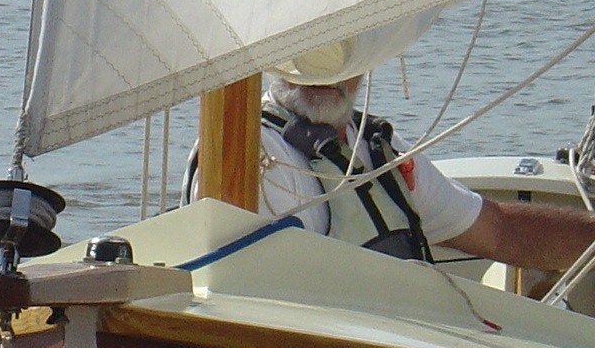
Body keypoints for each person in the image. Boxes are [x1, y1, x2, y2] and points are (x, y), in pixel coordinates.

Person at [190, 73, 595, 271]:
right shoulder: (248, 149)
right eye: (307, 50)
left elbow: (499, 231)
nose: (322, 71)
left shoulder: (375, 147)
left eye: (341, 49)